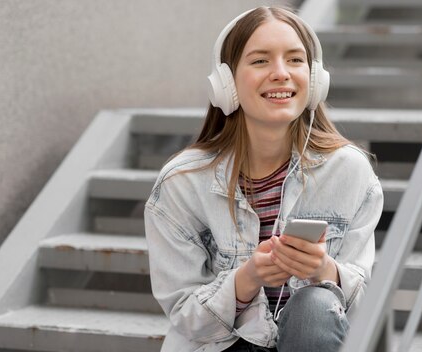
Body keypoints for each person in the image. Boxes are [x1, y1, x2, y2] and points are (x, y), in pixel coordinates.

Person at [144, 6, 383, 352]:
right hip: (222, 345)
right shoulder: (180, 185)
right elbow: (186, 318)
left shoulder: (351, 172)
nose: (281, 74)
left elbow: (364, 311)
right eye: (260, 61)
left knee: (315, 307)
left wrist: (326, 272)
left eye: (295, 60)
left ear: (315, 79)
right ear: (226, 84)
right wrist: (246, 280)